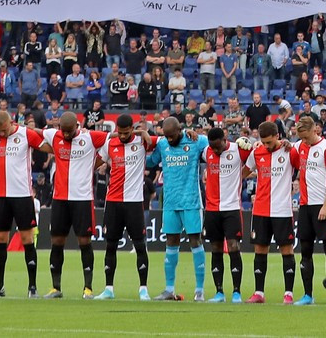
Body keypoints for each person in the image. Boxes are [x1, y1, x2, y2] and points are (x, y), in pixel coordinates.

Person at [39, 111, 105, 298]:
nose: (66, 135)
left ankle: (88, 288)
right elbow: (33, 132)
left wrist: (94, 162)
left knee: (84, 241)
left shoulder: (90, 137)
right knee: (57, 241)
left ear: (77, 126)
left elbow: (114, 139)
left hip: (82, 199)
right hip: (60, 199)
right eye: (64, 131)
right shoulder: (54, 135)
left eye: (70, 131)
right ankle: (56, 288)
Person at [0, 109, 46, 297]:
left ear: (11, 123)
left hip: (22, 195)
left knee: (27, 239)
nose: (1, 133)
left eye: (3, 130)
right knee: (0, 239)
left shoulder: (25, 134)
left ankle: (32, 287)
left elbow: (47, 147)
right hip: (1, 195)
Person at [151, 115, 210, 301]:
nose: (169, 139)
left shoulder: (196, 140)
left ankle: (199, 290)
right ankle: (169, 289)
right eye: (166, 136)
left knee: (195, 241)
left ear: (180, 130)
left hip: (191, 201)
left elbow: (216, 144)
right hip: (170, 202)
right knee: (170, 242)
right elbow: (151, 162)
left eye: (172, 136)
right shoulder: (162, 145)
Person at [98, 114, 152, 301]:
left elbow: (165, 138)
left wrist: (142, 131)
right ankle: (108, 289)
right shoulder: (110, 143)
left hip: (134, 202)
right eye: (119, 133)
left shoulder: (142, 141)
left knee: (139, 245)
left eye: (125, 132)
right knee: (110, 245)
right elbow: (99, 160)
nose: (121, 136)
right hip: (112, 201)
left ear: (132, 128)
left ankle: (143, 288)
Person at [245, 119, 298, 303]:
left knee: (286, 249)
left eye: (269, 142)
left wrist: (291, 145)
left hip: (282, 209)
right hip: (260, 208)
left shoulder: (288, 151)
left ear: (278, 136)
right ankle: (259, 293)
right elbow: (244, 172)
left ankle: (288, 294)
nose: (266, 145)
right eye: (263, 142)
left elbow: (303, 163)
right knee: (260, 249)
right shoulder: (257, 151)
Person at [292, 112, 326, 306]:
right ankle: (307, 295)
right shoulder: (300, 146)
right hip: (305, 206)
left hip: (323, 205)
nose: (303, 140)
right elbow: (287, 150)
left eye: (306, 136)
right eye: (300, 137)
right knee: (305, 250)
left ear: (315, 129)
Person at [201, 124, 247, 302]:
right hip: (212, 209)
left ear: (224, 140)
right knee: (215, 248)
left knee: (234, 247)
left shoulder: (238, 149)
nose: (215, 150)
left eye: (218, 147)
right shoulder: (206, 151)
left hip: (232, 208)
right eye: (212, 147)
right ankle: (219, 292)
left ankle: (237, 291)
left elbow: (255, 157)